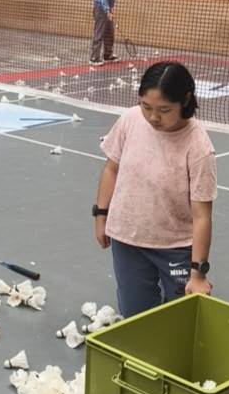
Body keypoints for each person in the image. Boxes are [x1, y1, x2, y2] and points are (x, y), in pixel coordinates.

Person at [92, 62, 217, 318]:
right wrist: (101, 215)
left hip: (175, 246)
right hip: (127, 240)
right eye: (146, 106)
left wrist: (198, 273)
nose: (153, 117)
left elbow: (202, 215)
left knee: (180, 317)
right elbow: (111, 169)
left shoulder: (199, 146)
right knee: (136, 317)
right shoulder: (130, 120)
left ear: (185, 100)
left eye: (164, 110)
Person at [89, 0, 130, 65]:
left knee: (109, 32)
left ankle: (108, 55)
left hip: (107, 8)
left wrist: (111, 8)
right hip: (100, 8)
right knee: (99, 32)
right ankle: (94, 58)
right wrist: (107, 10)